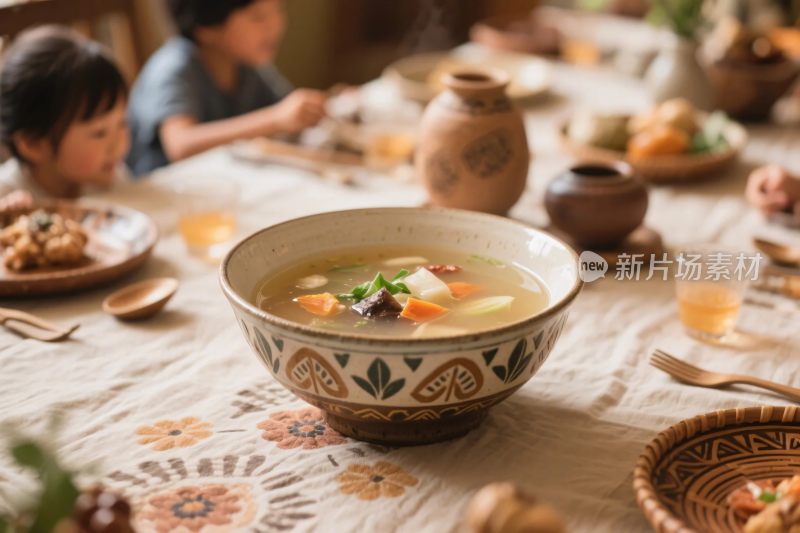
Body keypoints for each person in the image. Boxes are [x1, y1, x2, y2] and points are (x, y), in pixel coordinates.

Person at [126, 0, 327, 175]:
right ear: (207, 26)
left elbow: (287, 110)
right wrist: (275, 119)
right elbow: (181, 144)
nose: (276, 25)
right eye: (258, 17)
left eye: (278, 10)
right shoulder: (173, 68)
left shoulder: (246, 63)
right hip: (164, 198)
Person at [0, 25, 130, 212]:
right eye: (100, 133)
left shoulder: (110, 174)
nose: (119, 144)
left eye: (122, 123)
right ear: (34, 144)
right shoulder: (6, 196)